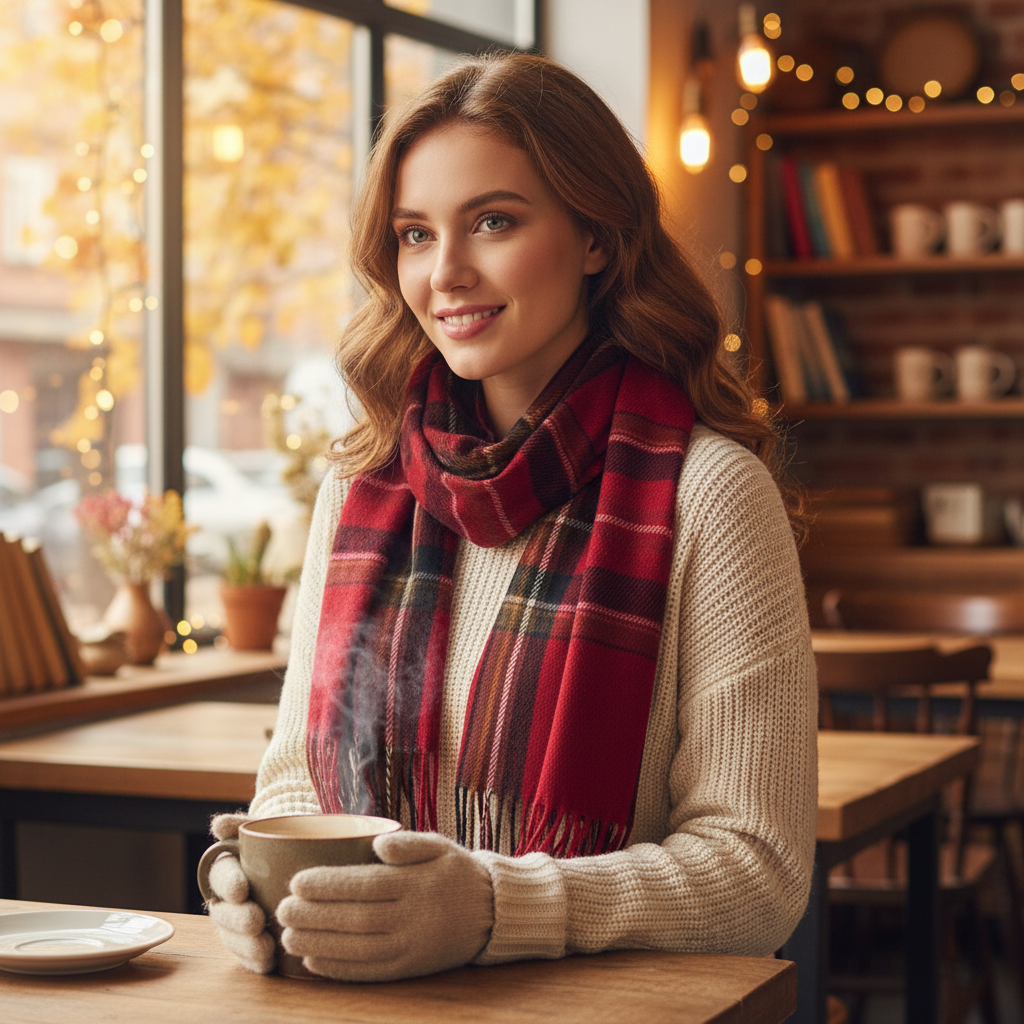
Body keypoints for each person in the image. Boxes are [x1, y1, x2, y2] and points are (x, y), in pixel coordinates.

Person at [204, 51, 818, 983]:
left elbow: (759, 876)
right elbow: (297, 782)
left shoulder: (711, 496)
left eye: (492, 222)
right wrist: (253, 884)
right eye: (415, 234)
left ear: (598, 238)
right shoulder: (362, 487)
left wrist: (493, 907)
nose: (446, 271)